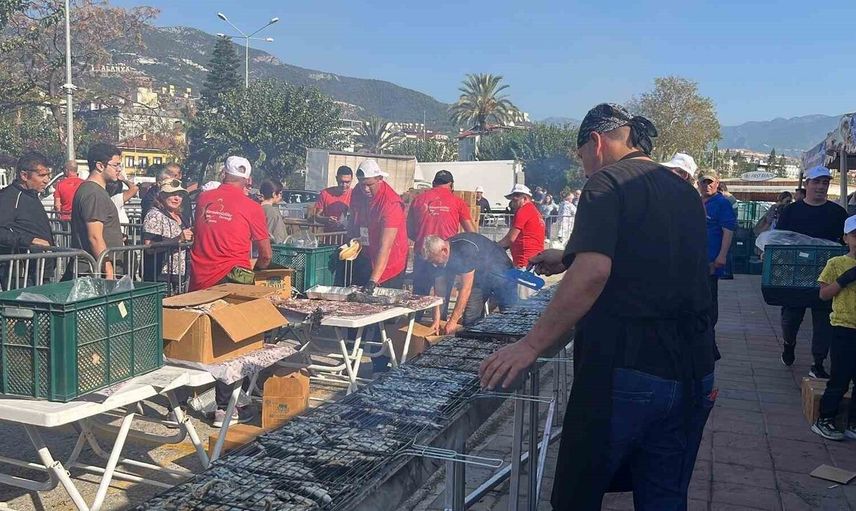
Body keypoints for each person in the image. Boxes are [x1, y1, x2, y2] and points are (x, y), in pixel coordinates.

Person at [480, 103, 715, 510]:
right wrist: (568, 257)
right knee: (664, 497)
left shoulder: (607, 182)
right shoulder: (684, 191)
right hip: (693, 369)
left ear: (596, 142)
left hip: (629, 368)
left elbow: (593, 274)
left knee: (577, 496)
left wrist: (530, 346)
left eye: (582, 156)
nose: (584, 167)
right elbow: (654, 258)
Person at [189, 155, 272, 427]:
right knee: (232, 346)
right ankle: (226, 408)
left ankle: (205, 399)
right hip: (232, 281)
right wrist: (259, 270)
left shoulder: (204, 199)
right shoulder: (252, 207)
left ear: (223, 174)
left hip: (200, 281)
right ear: (248, 180)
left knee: (204, 342)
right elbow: (266, 254)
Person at [776, 165, 848, 378]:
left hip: (826, 275)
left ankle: (818, 363)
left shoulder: (838, 213)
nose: (821, 186)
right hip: (795, 274)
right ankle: (789, 345)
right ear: (806, 184)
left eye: (825, 182)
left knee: (823, 321)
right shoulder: (791, 211)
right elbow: (779, 239)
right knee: (790, 318)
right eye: (816, 182)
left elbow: (845, 242)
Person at [348, 159, 409, 372]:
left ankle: (380, 363)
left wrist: (373, 280)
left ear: (380, 179)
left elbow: (386, 247)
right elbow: (354, 219)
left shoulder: (391, 203)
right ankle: (350, 358)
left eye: (369, 185)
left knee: (383, 316)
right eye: (362, 184)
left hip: (391, 263)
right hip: (367, 254)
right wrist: (353, 239)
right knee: (355, 309)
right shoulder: (357, 193)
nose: (365, 189)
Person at [812, 215, 856, 440]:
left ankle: (853, 422)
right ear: (845, 238)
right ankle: (825, 418)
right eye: (855, 235)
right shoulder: (836, 263)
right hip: (844, 327)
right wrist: (844, 279)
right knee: (840, 377)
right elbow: (823, 294)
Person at [422, 233, 517, 334]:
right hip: (480, 278)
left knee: (508, 315)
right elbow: (439, 291)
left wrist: (453, 321)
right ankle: (475, 339)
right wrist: (436, 320)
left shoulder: (464, 250)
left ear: (444, 251)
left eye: (435, 261)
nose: (434, 265)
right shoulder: (440, 257)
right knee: (470, 319)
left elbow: (465, 288)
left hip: (502, 272)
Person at [406, 170, 476, 301]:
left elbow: (409, 230)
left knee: (419, 297)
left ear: (433, 183)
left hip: (423, 254)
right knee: (442, 297)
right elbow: (471, 232)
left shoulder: (418, 200)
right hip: (445, 256)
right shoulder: (458, 202)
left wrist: (423, 240)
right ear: (451, 185)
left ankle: (418, 313)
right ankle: (441, 313)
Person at [70, 143, 125, 278]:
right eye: (115, 165)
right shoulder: (93, 193)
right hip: (95, 270)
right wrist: (108, 270)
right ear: (100, 166)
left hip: (97, 268)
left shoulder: (95, 191)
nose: (119, 169)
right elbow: (94, 237)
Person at [0, 152, 55, 286]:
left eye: (48, 175)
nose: (46, 180)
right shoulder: (8, 197)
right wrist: (29, 240)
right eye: (41, 175)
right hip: (19, 273)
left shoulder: (33, 195)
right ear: (24, 175)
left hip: (40, 269)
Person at [698, 170, 737, 357]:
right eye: (703, 182)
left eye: (710, 182)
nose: (707, 185)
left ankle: (710, 342)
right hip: (695, 261)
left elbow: (728, 230)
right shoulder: (697, 201)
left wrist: (722, 256)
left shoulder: (722, 203)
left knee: (710, 301)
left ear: (717, 183)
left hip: (712, 260)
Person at [142, 180, 192, 292]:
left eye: (180, 195)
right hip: (161, 276)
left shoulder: (181, 216)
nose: (177, 198)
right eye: (172, 194)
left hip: (180, 275)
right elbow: (149, 246)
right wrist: (179, 239)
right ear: (162, 195)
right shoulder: (154, 215)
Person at [497, 183, 545, 297]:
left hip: (525, 263)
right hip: (533, 263)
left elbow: (510, 238)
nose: (513, 200)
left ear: (525, 198)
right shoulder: (534, 211)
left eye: (516, 196)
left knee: (524, 301)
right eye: (512, 197)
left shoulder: (523, 211)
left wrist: (493, 247)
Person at [314, 165, 353, 231]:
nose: (344, 185)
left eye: (347, 182)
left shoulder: (355, 194)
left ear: (351, 179)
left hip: (349, 235)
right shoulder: (325, 193)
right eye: (341, 182)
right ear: (336, 179)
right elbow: (317, 216)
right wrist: (327, 219)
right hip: (329, 234)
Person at [259, 179, 289, 244]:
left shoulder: (257, 208)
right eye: (280, 193)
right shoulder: (271, 211)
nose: (281, 196)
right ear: (274, 194)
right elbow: (268, 235)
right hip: (274, 247)